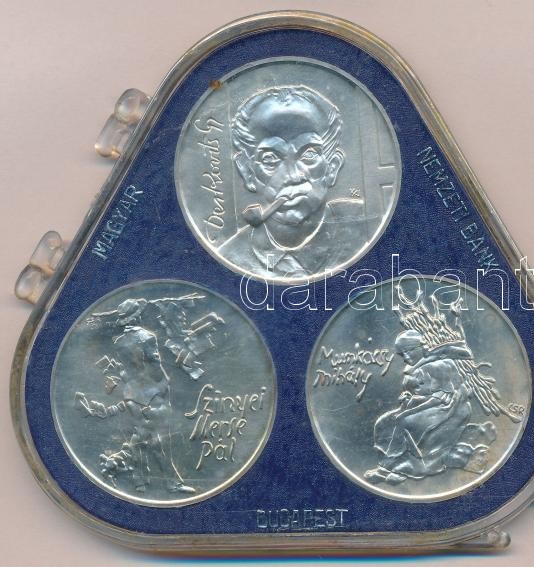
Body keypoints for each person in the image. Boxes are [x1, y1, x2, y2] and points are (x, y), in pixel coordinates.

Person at [219, 85, 366, 279]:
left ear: (332, 167)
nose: (293, 176)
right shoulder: (230, 256)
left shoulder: (364, 227)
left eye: (309, 154)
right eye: (270, 158)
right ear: (248, 172)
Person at [83, 299, 195, 494]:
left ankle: (140, 482)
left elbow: (128, 370)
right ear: (138, 316)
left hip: (131, 395)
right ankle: (171, 483)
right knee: (160, 441)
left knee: (141, 437)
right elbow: (156, 366)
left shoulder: (119, 343)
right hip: (152, 395)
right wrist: (165, 383)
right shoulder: (147, 337)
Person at [365, 330, 497, 485]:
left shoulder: (439, 366)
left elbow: (439, 398)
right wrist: (409, 399)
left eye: (408, 351)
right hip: (430, 405)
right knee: (385, 422)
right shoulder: (416, 367)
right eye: (402, 354)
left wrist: (408, 411)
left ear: (420, 347)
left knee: (406, 422)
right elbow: (422, 394)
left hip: (450, 409)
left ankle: (393, 468)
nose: (405, 357)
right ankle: (391, 465)